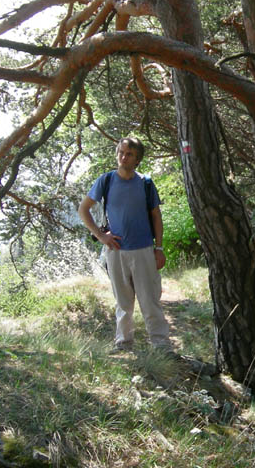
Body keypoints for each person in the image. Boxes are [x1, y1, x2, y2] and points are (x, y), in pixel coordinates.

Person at [78, 136, 172, 351]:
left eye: (129, 154)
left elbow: (156, 217)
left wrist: (159, 248)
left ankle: (161, 346)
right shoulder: (106, 181)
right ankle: (123, 343)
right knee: (123, 301)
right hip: (116, 251)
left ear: (137, 159)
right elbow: (83, 210)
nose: (123, 157)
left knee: (150, 301)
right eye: (121, 152)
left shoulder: (146, 183)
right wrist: (102, 237)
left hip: (144, 250)